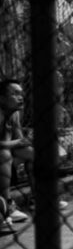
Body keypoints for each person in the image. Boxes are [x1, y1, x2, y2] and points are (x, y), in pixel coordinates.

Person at [0, 78, 33, 234]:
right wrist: (18, 142)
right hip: (3, 156)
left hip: (6, 155)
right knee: (5, 154)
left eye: (21, 94)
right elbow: (12, 143)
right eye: (15, 94)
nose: (20, 98)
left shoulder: (14, 114)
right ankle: (7, 206)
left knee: (35, 155)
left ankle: (39, 198)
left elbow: (20, 141)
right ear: (2, 98)